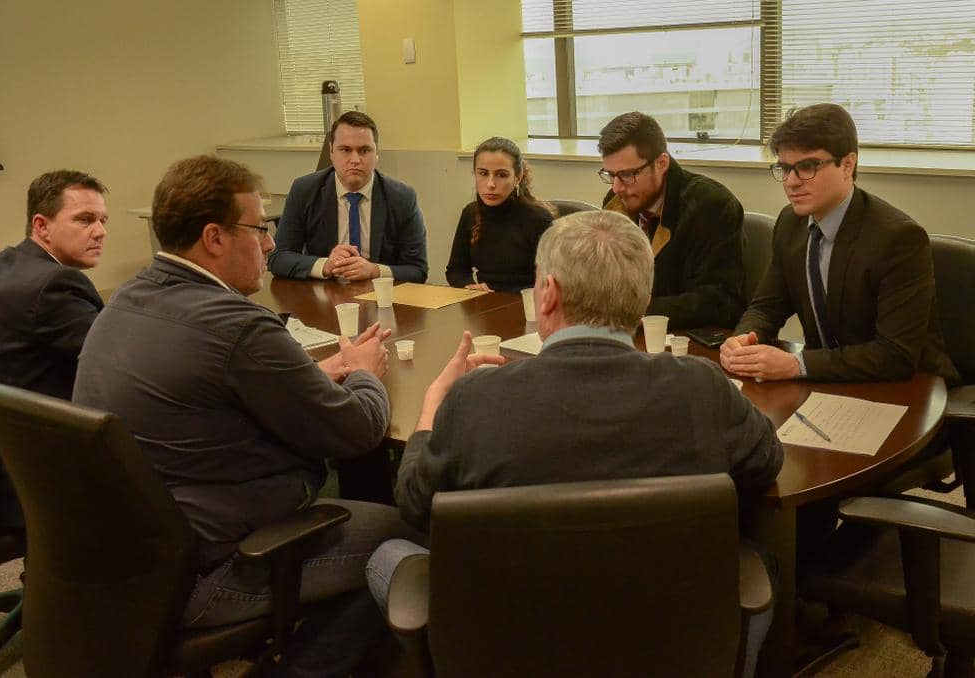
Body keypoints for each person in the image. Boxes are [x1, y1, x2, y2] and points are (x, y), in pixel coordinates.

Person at [368, 210, 783, 677]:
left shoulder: (474, 400)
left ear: (547, 294)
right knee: (758, 561)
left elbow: (415, 504)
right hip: (666, 647)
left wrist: (431, 410)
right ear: (643, 298)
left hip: (508, 649)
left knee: (387, 556)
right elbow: (765, 461)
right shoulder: (702, 389)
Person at [72, 155, 419, 677]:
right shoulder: (238, 325)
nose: (270, 244)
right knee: (406, 540)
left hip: (124, 557)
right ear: (214, 237)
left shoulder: (125, 300)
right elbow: (358, 431)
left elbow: (214, 391)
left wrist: (320, 373)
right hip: (216, 565)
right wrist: (366, 370)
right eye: (260, 228)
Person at [721, 103, 959, 384]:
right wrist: (743, 339)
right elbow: (766, 307)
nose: (791, 182)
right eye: (784, 168)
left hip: (909, 390)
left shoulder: (898, 239)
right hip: (831, 384)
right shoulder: (790, 223)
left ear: (848, 164)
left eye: (806, 167)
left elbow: (895, 354)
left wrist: (796, 364)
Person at [0, 169, 108, 532]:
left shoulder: (7, 262)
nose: (100, 231)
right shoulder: (55, 284)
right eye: (84, 219)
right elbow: (118, 362)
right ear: (41, 226)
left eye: (103, 220)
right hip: (23, 473)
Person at [599, 111, 745, 330]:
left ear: (661, 163)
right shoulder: (616, 201)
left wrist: (636, 309)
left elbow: (720, 302)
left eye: (627, 175)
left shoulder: (711, 206)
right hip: (630, 337)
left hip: (686, 342)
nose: (617, 187)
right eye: (610, 175)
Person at [269, 111, 428, 283]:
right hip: (324, 295)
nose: (355, 159)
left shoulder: (402, 197)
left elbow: (417, 271)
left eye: (364, 150)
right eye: (345, 150)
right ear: (331, 152)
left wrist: (375, 270)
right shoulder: (305, 190)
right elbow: (278, 258)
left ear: (376, 154)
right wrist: (325, 265)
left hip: (379, 296)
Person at [445, 136, 555, 293]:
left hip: (528, 305)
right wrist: (471, 287)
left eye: (501, 175)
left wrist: (502, 295)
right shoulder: (471, 213)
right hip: (484, 305)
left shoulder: (538, 219)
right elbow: (456, 271)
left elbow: (553, 281)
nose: (490, 184)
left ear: (518, 177)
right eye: (483, 173)